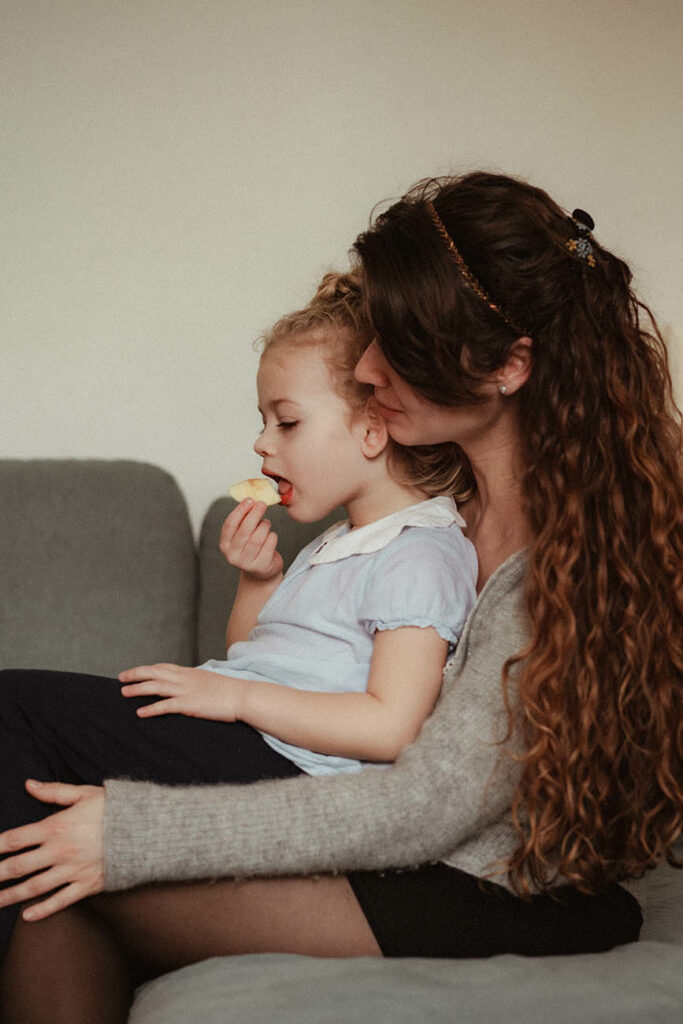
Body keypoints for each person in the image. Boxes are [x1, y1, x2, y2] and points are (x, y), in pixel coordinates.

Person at [0, 172, 681, 1024]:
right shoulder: (442, 525)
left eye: (394, 341)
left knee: (46, 844)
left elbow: (424, 804)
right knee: (41, 880)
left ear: (508, 366)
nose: (363, 367)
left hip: (490, 893)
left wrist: (129, 835)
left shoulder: (554, 570)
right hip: (413, 854)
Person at [0, 271, 476, 954]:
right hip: (259, 744)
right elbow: (252, 651)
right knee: (42, 810)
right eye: (262, 423)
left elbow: (391, 727)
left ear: (373, 430)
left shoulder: (419, 554)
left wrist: (236, 697)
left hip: (293, 775)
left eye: (286, 421)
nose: (262, 443)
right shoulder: (336, 541)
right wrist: (259, 580)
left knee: (13, 703)